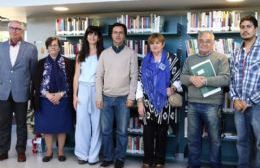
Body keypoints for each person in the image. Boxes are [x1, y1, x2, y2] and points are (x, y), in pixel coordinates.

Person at [180, 31, 230, 168]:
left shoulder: (221, 58)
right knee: (193, 140)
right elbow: (182, 77)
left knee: (215, 140)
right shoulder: (190, 59)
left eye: (208, 41)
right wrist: (191, 78)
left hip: (213, 105)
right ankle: (193, 165)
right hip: (193, 104)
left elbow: (226, 79)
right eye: (201, 40)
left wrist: (205, 81)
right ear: (197, 42)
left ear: (213, 43)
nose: (204, 43)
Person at [136, 33, 182, 168]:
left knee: (162, 134)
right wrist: (139, 102)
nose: (155, 45)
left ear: (163, 44)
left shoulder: (172, 59)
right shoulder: (145, 61)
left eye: (158, 43)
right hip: (147, 102)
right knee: (148, 133)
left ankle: (160, 162)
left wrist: (173, 88)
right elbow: (139, 83)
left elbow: (179, 80)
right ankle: (147, 160)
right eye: (152, 43)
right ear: (149, 46)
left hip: (165, 102)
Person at [96, 22, 138, 168]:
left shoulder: (131, 53)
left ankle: (120, 158)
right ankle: (107, 157)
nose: (118, 35)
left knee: (122, 131)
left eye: (121, 32)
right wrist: (99, 97)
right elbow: (98, 77)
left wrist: (131, 97)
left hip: (123, 99)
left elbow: (134, 77)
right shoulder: (104, 54)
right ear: (111, 35)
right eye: (115, 32)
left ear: (124, 35)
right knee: (106, 131)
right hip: (106, 98)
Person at [0, 20, 38, 162]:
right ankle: (3, 150)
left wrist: (32, 91)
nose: (15, 31)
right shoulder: (1, 47)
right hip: (3, 92)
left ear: (22, 31)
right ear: (8, 30)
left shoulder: (31, 48)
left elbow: (33, 72)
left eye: (18, 29)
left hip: (21, 91)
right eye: (12, 28)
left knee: (21, 123)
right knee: (3, 124)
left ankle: (21, 151)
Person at [32, 37, 74, 162]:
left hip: (63, 99)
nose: (53, 47)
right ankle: (49, 151)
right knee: (47, 128)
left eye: (55, 45)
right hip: (45, 100)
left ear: (59, 47)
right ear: (47, 48)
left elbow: (71, 82)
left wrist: (61, 94)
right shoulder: (40, 63)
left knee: (62, 127)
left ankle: (61, 151)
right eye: (50, 45)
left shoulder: (68, 63)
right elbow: (36, 83)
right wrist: (47, 95)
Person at [230, 15, 260, 168]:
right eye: (242, 27)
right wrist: (235, 99)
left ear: (256, 29)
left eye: (249, 26)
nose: (245, 30)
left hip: (257, 105)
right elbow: (232, 79)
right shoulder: (236, 52)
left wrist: (250, 100)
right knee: (242, 141)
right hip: (239, 106)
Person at [73, 26, 104, 165]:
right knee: (82, 123)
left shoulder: (103, 54)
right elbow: (76, 76)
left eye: (95, 34)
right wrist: (75, 95)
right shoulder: (80, 54)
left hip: (97, 90)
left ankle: (93, 156)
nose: (92, 37)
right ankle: (82, 154)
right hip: (83, 90)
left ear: (99, 37)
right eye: (90, 34)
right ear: (86, 36)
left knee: (96, 124)